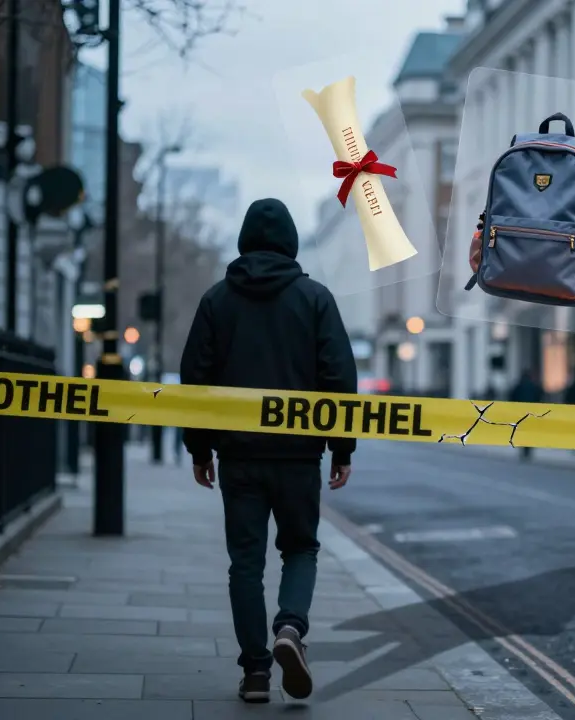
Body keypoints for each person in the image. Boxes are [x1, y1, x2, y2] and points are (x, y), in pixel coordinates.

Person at [180, 198, 357, 704]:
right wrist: (341, 448)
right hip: (300, 457)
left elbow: (196, 377)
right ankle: (290, 628)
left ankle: (255, 672)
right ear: (291, 243)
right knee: (300, 548)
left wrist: (199, 449)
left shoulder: (217, 301)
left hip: (238, 458)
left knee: (245, 563)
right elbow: (339, 379)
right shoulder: (315, 299)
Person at [508, 368, 543, 460]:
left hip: (521, 413)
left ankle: (524, 448)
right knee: (530, 430)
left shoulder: (518, 386)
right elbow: (539, 397)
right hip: (532, 412)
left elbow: (512, 397)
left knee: (522, 430)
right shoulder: (534, 386)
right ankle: (529, 448)